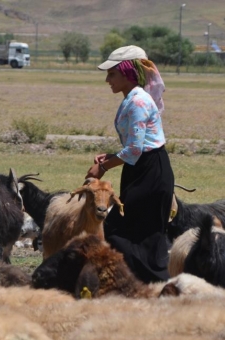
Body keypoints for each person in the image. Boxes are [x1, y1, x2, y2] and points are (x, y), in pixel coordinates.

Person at [85, 45, 174, 283]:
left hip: (149, 173)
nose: (107, 80)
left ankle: (153, 285)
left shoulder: (138, 102)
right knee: (136, 235)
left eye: (112, 74)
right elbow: (136, 146)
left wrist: (103, 168)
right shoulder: (133, 98)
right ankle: (143, 285)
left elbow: (135, 149)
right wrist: (112, 155)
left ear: (127, 73)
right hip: (141, 170)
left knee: (127, 233)